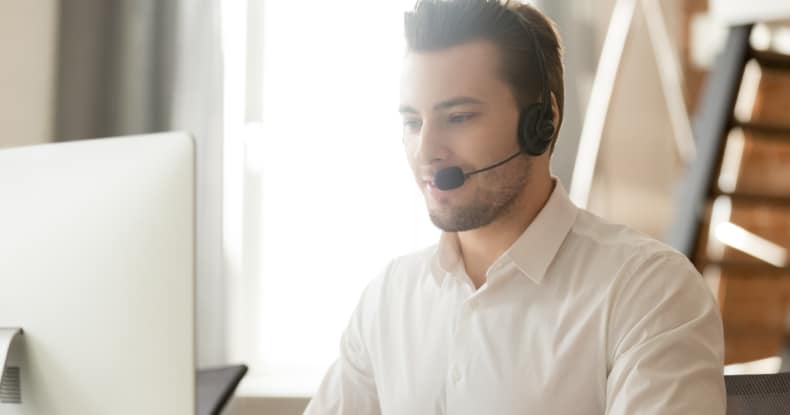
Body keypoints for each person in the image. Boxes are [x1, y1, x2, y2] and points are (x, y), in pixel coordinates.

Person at [304, 0, 725, 413]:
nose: (426, 151)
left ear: (542, 123)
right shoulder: (389, 298)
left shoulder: (647, 292)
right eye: (413, 123)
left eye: (459, 117)